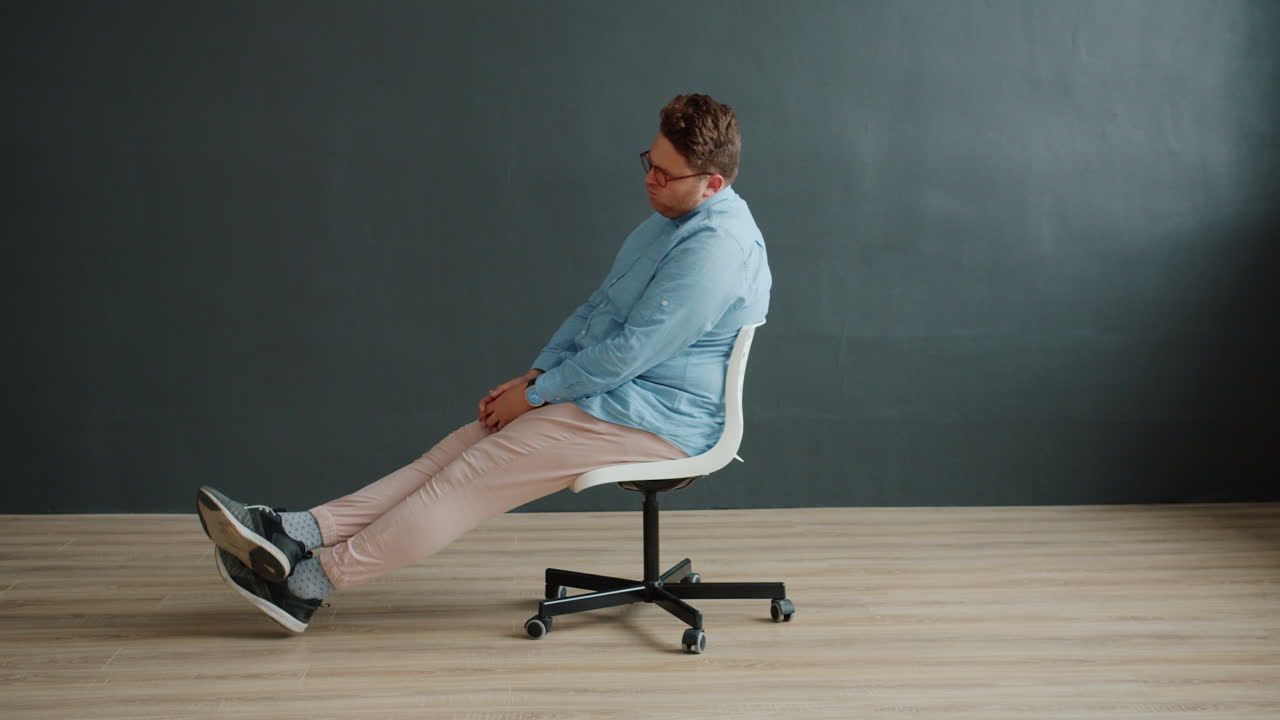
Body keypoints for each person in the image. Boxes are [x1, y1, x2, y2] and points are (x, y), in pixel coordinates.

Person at [195, 93, 772, 633]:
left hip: (659, 423)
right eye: (650, 160)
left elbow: (633, 350)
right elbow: (597, 309)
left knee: (469, 477)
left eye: (665, 174)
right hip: (614, 395)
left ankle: (306, 586)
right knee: (455, 451)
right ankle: (295, 532)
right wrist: (536, 378)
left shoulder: (716, 249)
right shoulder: (668, 222)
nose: (649, 177)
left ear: (712, 183)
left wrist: (542, 395)